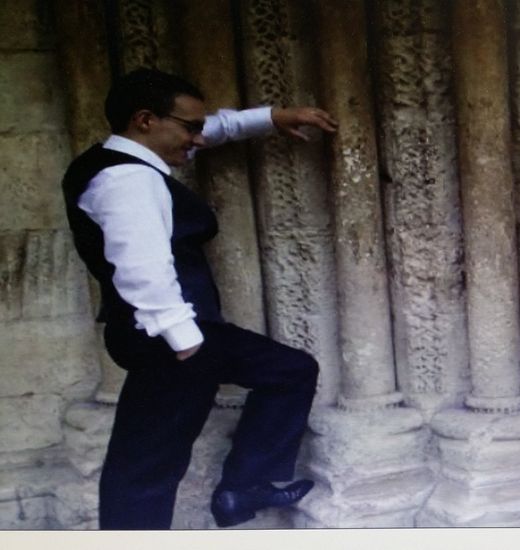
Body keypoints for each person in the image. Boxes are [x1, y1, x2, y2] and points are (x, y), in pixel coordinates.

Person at [61, 68, 339, 529]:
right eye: (190, 128)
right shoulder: (127, 180)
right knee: (147, 467)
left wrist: (272, 117)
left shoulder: (114, 158)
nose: (199, 137)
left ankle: (243, 488)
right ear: (145, 120)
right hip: (166, 336)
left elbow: (214, 127)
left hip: (172, 332)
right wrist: (187, 346)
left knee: (289, 370)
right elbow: (142, 269)